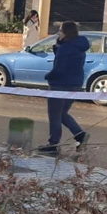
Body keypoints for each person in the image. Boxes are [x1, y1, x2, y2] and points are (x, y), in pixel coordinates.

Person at [39, 21, 90, 155]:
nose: (58, 33)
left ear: (66, 32)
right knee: (62, 114)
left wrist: (48, 77)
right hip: (75, 84)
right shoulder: (78, 46)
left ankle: (53, 144)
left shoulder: (66, 48)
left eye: (60, 31)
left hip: (60, 85)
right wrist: (58, 47)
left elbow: (59, 69)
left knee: (55, 115)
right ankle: (80, 135)